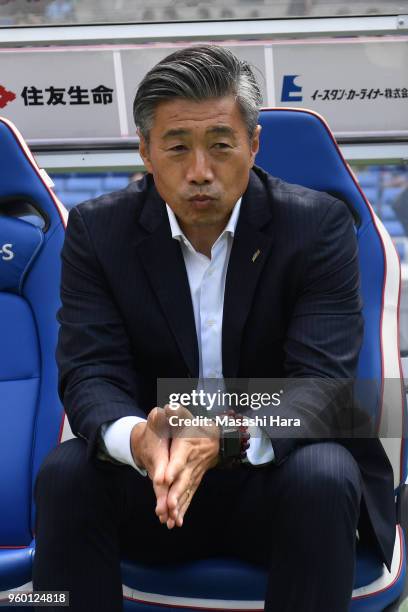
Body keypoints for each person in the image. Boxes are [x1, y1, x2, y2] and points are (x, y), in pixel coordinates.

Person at [33, 45, 396, 612]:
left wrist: (224, 435)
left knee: (327, 470)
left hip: (272, 486)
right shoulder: (97, 232)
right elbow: (89, 371)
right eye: (177, 148)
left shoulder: (317, 226)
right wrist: (139, 440)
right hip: (155, 486)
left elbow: (324, 386)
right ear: (146, 153)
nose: (200, 171)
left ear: (253, 146)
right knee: (65, 474)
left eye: (221, 146)